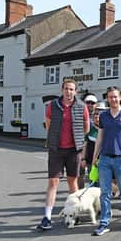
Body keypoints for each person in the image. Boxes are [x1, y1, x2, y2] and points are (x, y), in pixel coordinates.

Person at [38, 79, 90, 230]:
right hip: (56, 149)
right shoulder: (52, 106)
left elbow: (86, 128)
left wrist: (76, 138)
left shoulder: (82, 106)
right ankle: (47, 217)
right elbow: (48, 125)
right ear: (62, 90)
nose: (69, 92)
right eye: (66, 89)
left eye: (72, 89)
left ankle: (75, 214)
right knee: (53, 182)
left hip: (74, 150)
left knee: (72, 183)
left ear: (76, 91)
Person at [91, 86, 121, 235]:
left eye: (115, 96)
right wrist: (95, 155)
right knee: (105, 192)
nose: (113, 99)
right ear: (107, 98)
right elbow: (100, 136)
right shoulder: (104, 116)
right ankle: (104, 222)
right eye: (110, 97)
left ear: (120, 98)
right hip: (105, 158)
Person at [80, 94, 98, 188]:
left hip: (94, 152)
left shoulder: (99, 115)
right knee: (80, 174)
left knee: (95, 177)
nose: (90, 105)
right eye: (88, 102)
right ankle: (80, 194)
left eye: (93, 103)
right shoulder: (80, 115)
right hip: (81, 149)